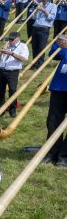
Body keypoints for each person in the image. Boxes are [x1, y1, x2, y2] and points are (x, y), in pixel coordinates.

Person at [43, 35, 67, 166]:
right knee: (53, 121)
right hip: (59, 87)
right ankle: (51, 152)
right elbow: (53, 54)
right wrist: (58, 43)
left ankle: (64, 156)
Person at [0, 31, 29, 117]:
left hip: (12, 72)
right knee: (0, 91)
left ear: (18, 38)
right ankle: (0, 110)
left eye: (12, 39)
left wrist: (11, 53)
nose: (10, 41)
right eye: (9, 39)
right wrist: (1, 53)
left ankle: (12, 110)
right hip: (1, 70)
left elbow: (23, 58)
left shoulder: (23, 46)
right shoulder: (7, 45)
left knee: (12, 91)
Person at [31, 0, 57, 68]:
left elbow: (51, 18)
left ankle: (39, 64)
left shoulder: (53, 6)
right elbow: (33, 18)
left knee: (41, 47)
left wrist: (43, 10)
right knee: (34, 47)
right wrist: (37, 10)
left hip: (44, 29)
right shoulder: (40, 5)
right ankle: (34, 63)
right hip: (35, 27)